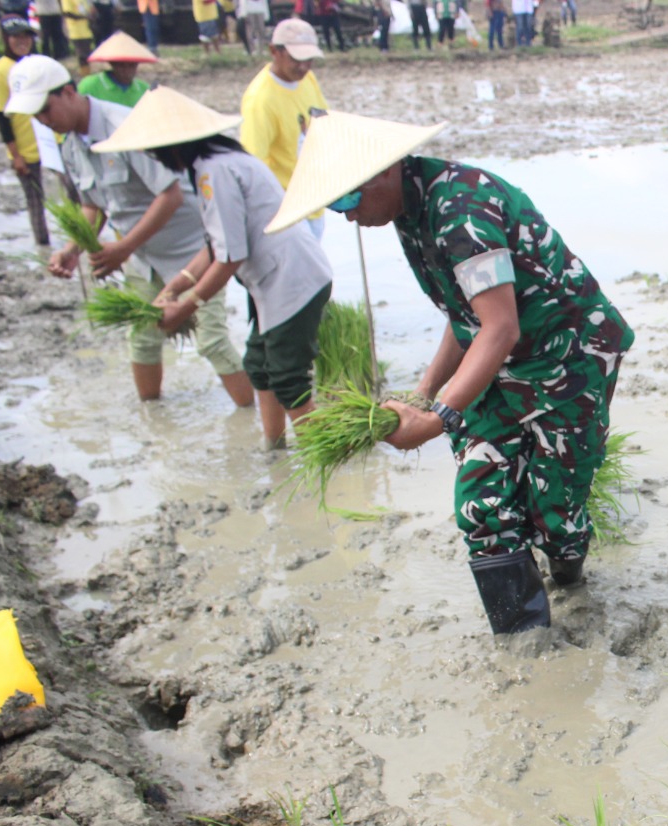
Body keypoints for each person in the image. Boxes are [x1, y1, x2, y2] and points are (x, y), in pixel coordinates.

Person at [267, 112, 634, 634]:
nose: (348, 218)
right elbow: (466, 318)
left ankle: (570, 580)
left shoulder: (459, 210)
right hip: (497, 363)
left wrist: (438, 418)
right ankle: (523, 642)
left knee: (556, 509)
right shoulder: (408, 212)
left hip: (567, 356)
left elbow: (499, 327)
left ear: (383, 171)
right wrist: (423, 394)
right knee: (482, 505)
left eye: (347, 201)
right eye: (335, 208)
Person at [92, 88, 333, 448]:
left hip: (292, 280)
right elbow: (215, 244)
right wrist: (174, 288)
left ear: (172, 146)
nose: (151, 157)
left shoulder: (214, 172)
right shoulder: (214, 163)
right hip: (274, 280)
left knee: (288, 379)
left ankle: (322, 461)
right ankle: (274, 451)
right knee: (260, 366)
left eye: (152, 150)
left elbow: (230, 257)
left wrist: (185, 307)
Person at [7, 57, 252, 407]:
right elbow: (93, 205)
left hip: (193, 250)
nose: (44, 120)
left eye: (46, 109)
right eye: (36, 115)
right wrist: (72, 249)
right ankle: (152, 417)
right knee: (142, 338)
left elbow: (170, 195)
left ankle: (252, 417)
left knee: (211, 341)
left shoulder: (124, 128)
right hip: (143, 255)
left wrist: (122, 248)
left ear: (69, 92)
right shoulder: (71, 145)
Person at [238, 18, 327, 235]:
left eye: (309, 60)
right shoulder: (261, 100)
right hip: (285, 207)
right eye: (296, 59)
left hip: (314, 199)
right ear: (274, 51)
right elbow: (251, 164)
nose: (303, 66)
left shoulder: (308, 79)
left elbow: (325, 123)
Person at [0, 18, 50, 248]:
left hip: (51, 140)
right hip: (25, 146)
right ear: (6, 39)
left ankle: (80, 242)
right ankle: (43, 247)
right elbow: (0, 117)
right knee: (35, 201)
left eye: (26, 36)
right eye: (16, 37)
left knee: (74, 194)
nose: (22, 41)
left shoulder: (40, 64)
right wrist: (16, 155)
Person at [80, 31, 154, 106]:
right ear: (112, 64)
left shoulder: (144, 90)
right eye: (121, 65)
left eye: (131, 65)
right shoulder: (90, 86)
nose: (127, 70)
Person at [62, 0, 93, 72]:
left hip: (86, 30)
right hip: (77, 32)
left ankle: (88, 72)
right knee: (82, 56)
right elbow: (68, 13)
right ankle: (85, 74)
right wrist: (85, 17)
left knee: (88, 55)